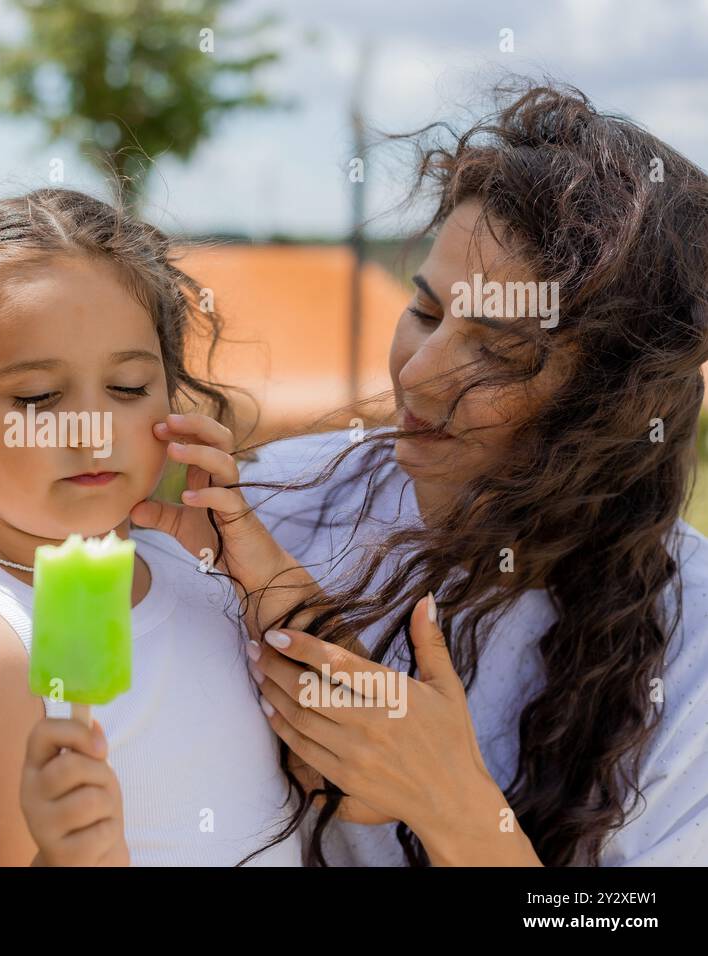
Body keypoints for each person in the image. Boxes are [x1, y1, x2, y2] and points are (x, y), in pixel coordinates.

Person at [237, 83, 708, 865]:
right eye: (424, 312)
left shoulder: (692, 649)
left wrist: (451, 807)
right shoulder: (278, 507)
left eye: (499, 351)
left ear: (613, 405)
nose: (417, 376)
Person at [0, 188, 323, 866]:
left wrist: (266, 571)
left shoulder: (206, 577)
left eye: (126, 389)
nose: (94, 433)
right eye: (38, 397)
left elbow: (357, 774)